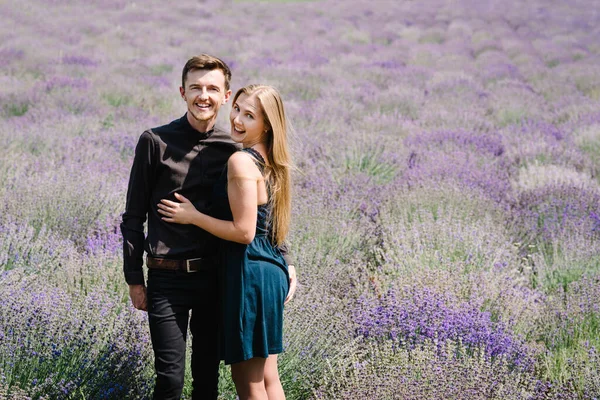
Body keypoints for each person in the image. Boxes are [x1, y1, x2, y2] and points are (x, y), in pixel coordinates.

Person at [121, 55, 296, 400]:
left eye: (213, 88)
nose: (204, 95)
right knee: (169, 381)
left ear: (225, 94)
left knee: (207, 382)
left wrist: (286, 258)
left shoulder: (235, 149)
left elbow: (262, 213)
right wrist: (133, 279)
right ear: (182, 92)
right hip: (167, 278)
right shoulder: (154, 142)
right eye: (196, 88)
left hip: (218, 277)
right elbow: (132, 216)